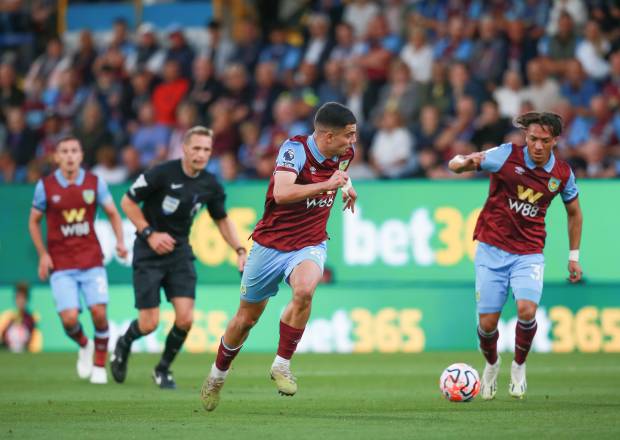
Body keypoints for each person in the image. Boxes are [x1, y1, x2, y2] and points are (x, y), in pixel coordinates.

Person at [200, 102, 358, 412]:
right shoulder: (294, 150)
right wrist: (328, 185)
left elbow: (339, 177)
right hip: (270, 245)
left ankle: (281, 364)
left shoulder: (345, 155)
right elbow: (282, 194)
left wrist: (347, 187)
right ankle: (217, 376)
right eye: (348, 135)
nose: (353, 141)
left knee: (305, 290)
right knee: (246, 319)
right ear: (327, 136)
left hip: (309, 242)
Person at [448, 112, 583, 399]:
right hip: (491, 248)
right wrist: (460, 164)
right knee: (487, 324)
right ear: (526, 137)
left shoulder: (561, 174)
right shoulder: (506, 155)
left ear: (555, 141)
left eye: (544, 141)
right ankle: (492, 364)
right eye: (532, 139)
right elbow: (473, 160)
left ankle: (519, 366)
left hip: (529, 253)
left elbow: (574, 213)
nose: (536, 146)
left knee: (527, 310)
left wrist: (574, 256)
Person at [111, 126, 247, 389]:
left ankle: (162, 369)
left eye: (206, 149)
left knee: (185, 319)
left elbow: (222, 219)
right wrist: (150, 233)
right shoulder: (161, 173)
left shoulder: (210, 184)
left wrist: (239, 250)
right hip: (148, 252)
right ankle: (124, 343)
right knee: (148, 324)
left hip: (180, 253)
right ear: (184, 148)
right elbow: (128, 202)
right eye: (196, 148)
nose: (201, 154)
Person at [28, 136, 127, 384]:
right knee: (70, 318)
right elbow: (33, 221)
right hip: (61, 263)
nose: (70, 155)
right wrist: (43, 254)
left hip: (91, 259)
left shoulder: (94, 183)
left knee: (99, 314)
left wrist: (120, 242)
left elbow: (114, 214)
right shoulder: (46, 186)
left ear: (81, 155)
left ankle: (99, 367)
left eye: (74, 151)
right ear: (57, 157)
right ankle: (84, 345)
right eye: (65, 151)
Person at [0, 282, 36, 353]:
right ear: (15, 299)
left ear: (27, 300)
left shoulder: (30, 318)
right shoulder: (7, 316)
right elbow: (3, 336)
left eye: (23, 298)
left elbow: (33, 341)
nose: (21, 301)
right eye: (18, 298)